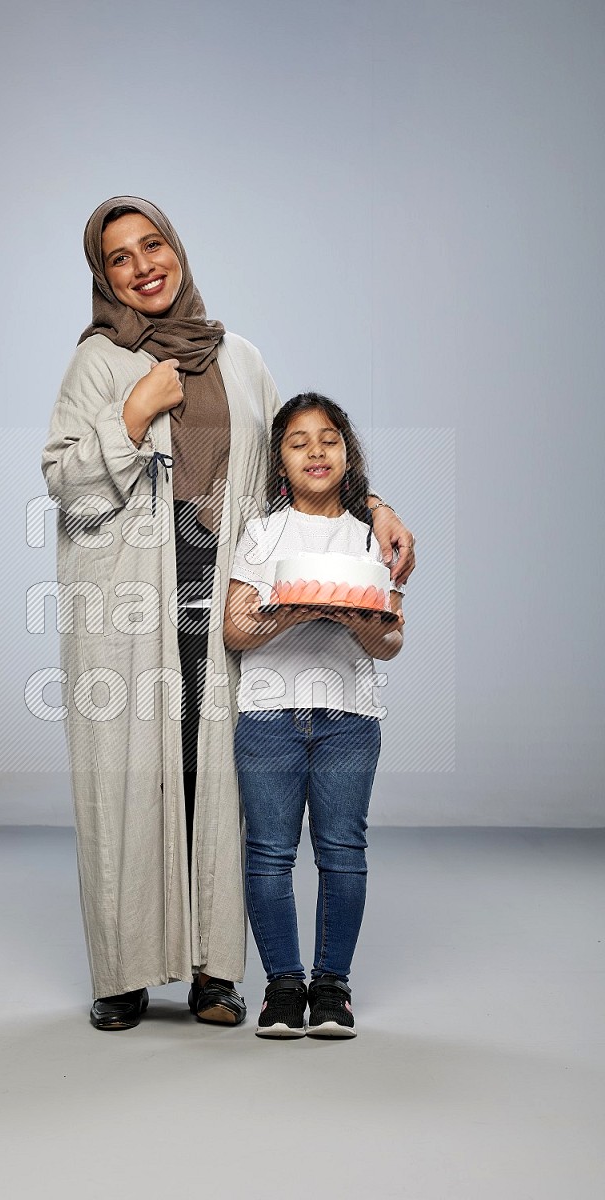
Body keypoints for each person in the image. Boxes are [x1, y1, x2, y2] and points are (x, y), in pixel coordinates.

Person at [42, 197, 415, 1031]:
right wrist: (133, 413)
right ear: (103, 278)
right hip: (128, 606)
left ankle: (216, 974)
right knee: (130, 781)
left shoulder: (240, 358)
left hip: (225, 599)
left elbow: (298, 469)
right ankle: (125, 974)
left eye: (154, 245)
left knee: (221, 785)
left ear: (177, 248)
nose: (143, 266)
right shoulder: (99, 363)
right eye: (120, 259)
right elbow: (64, 481)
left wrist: (377, 505)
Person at [224, 393, 405, 1038]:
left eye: (328, 438)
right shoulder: (262, 533)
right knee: (270, 854)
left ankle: (331, 988)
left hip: (350, 714)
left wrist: (357, 617)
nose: (316, 451)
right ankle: (282, 986)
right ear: (281, 461)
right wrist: (290, 612)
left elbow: (391, 641)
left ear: (348, 453)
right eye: (298, 442)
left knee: (342, 850)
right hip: (269, 711)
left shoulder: (369, 536)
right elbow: (236, 630)